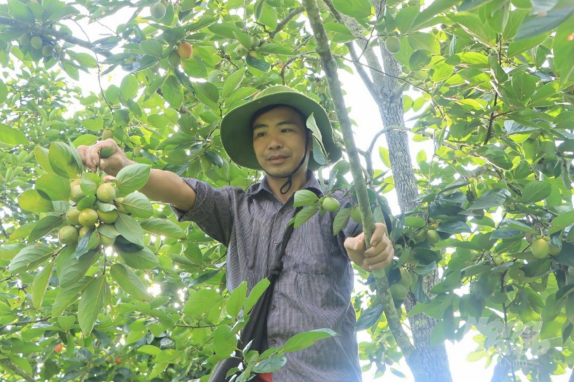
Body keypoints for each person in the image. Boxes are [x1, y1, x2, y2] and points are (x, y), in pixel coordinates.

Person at [77, 86, 394, 382]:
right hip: (246, 372)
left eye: (286, 129)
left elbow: (367, 238)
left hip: (321, 372)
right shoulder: (235, 207)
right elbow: (181, 189)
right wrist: (124, 167)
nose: (273, 142)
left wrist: (369, 247)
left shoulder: (336, 204)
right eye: (261, 134)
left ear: (310, 141)